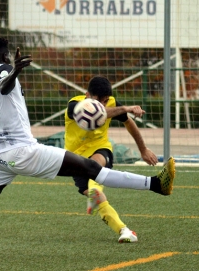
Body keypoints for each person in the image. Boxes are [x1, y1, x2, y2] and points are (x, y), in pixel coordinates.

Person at [0, 37, 176, 254]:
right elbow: (5, 85)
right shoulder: (4, 71)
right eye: (8, 56)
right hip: (22, 151)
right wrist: (14, 71)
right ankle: (156, 185)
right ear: (5, 56)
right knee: (91, 168)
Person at [64, 76, 158, 243]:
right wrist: (126, 108)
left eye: (106, 101)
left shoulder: (113, 103)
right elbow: (98, 112)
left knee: (96, 164)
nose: (103, 105)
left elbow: (129, 123)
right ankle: (125, 230)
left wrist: (143, 149)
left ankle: (95, 190)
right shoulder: (74, 105)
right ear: (87, 95)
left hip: (100, 149)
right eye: (99, 101)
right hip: (75, 158)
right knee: (99, 201)